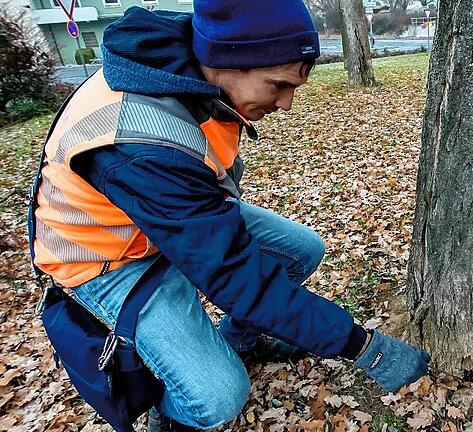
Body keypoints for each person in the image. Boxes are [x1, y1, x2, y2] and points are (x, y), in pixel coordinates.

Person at [30, 1, 431, 431]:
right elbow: (235, 277)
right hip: (105, 256)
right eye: (277, 85)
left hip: (168, 218)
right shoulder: (139, 140)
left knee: (301, 251)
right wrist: (362, 346)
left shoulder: (192, 73)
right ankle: (174, 415)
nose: (287, 104)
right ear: (228, 61)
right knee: (220, 397)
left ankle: (240, 339)